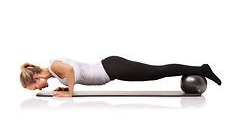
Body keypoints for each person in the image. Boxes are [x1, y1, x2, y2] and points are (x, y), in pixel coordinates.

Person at [20, 56, 221, 97]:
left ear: (36, 78)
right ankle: (200, 70)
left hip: (111, 68)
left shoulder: (53, 65)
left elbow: (72, 71)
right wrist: (66, 88)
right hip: (111, 69)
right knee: (156, 72)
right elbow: (72, 74)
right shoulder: (55, 74)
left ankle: (202, 70)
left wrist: (70, 92)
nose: (38, 90)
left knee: (156, 72)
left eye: (34, 87)